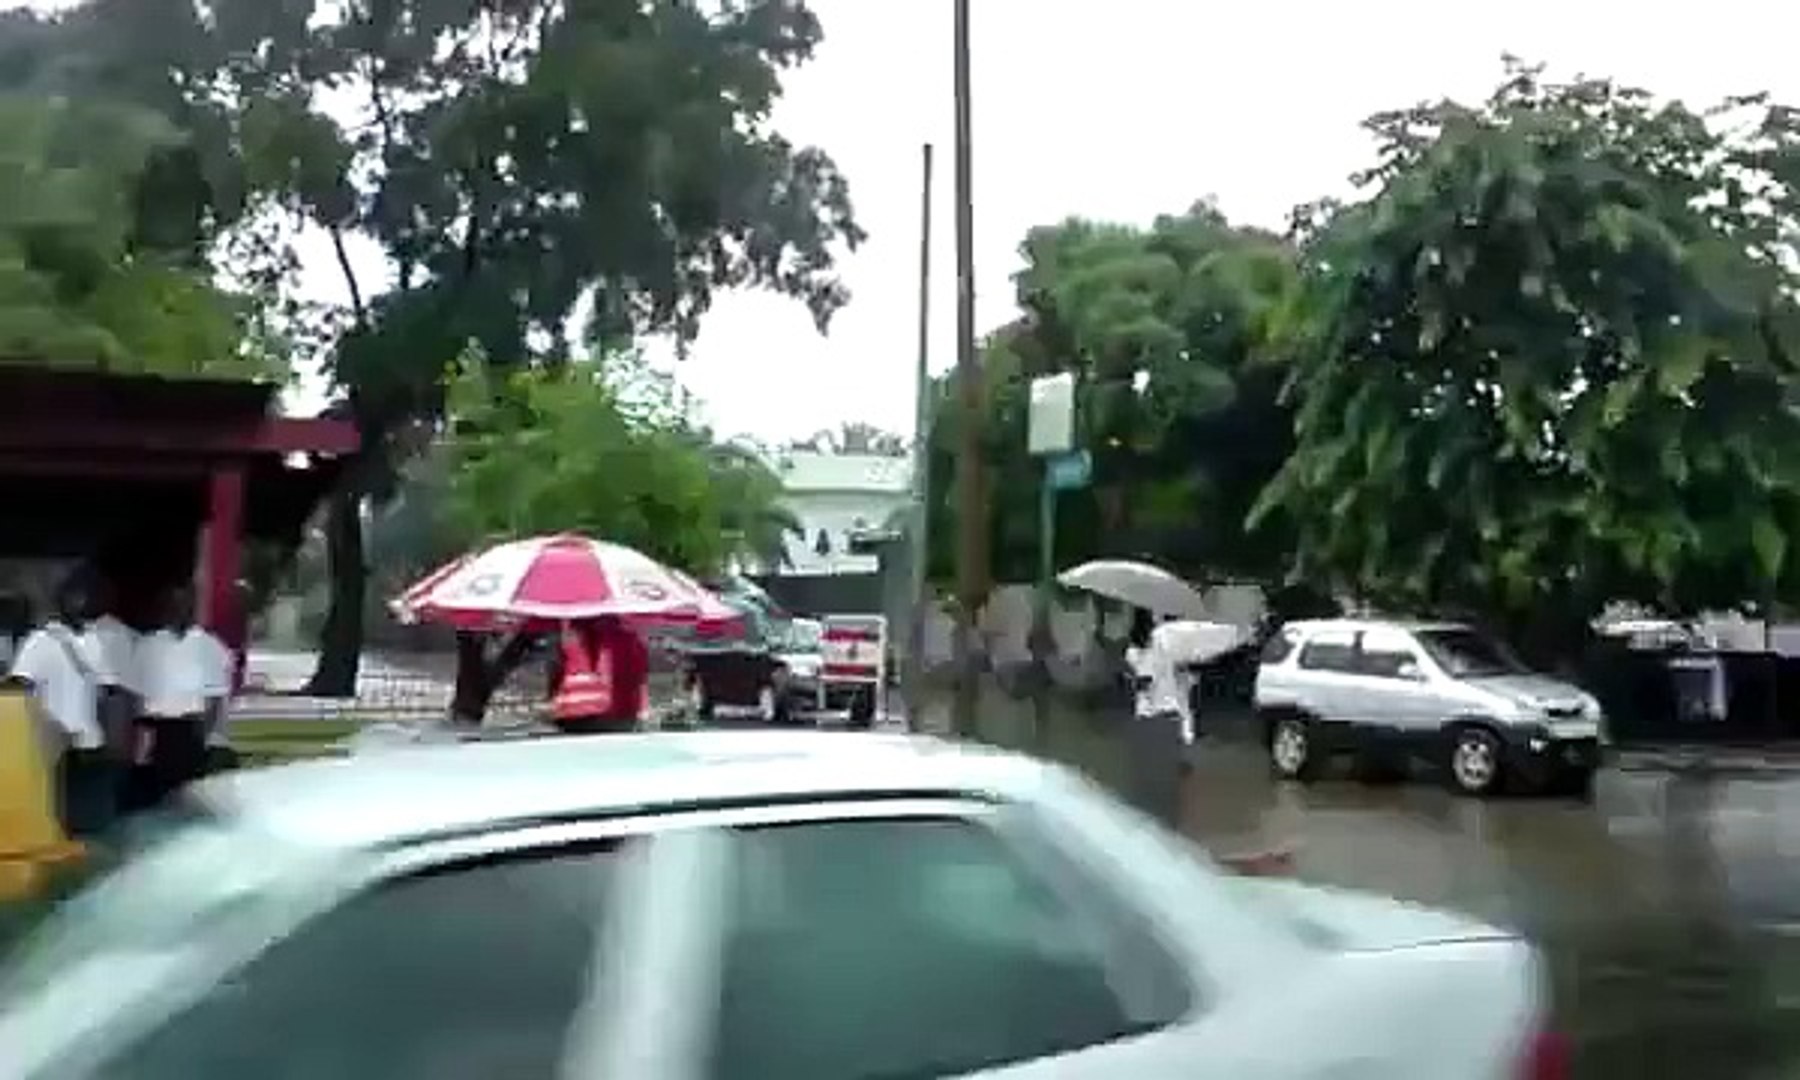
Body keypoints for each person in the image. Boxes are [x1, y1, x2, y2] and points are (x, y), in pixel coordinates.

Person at [10, 573, 112, 836]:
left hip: (91, 744)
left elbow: (105, 693)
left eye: (86, 597)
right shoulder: (40, 642)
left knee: (92, 820)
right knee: (58, 819)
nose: (81, 603)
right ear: (61, 601)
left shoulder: (96, 641)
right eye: (75, 597)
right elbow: (20, 688)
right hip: (54, 747)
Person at [131, 585, 232, 810]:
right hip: (158, 731)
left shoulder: (210, 646)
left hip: (192, 730)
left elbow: (215, 699)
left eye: (186, 605)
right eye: (174, 605)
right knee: (158, 800)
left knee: (190, 799)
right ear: (164, 609)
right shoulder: (147, 646)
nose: (179, 611)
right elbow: (136, 697)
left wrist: (209, 741)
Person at [1124, 607, 1187, 827]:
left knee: (1147, 782)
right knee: (1163, 785)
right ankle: (1166, 827)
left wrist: (1133, 676)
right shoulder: (1164, 645)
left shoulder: (1150, 646)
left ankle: (1152, 827)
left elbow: (1144, 682)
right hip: (1167, 717)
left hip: (1153, 718)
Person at [550, 614, 649, 734]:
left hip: (573, 712)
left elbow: (556, 674)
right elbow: (639, 676)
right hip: (618, 713)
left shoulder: (569, 636)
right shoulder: (631, 638)